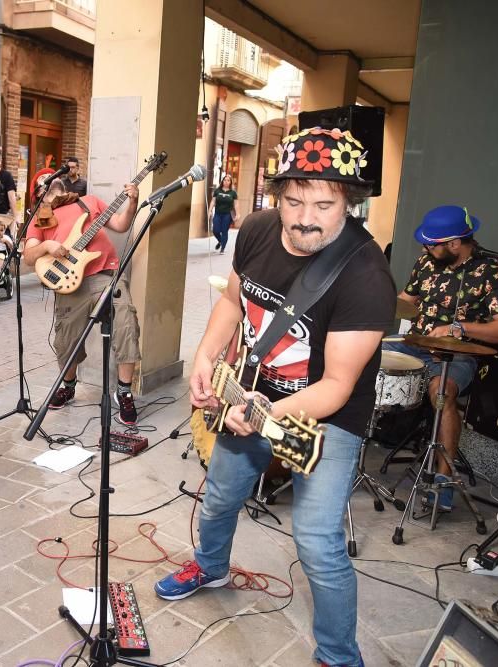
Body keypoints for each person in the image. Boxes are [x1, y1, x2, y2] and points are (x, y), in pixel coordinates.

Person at [154, 127, 396, 667]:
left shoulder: (365, 275)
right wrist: (204, 357)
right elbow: (235, 302)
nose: (305, 217)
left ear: (349, 203)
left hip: (324, 422)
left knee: (316, 541)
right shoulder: (259, 231)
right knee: (218, 498)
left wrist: (259, 412)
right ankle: (211, 566)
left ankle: (338, 655)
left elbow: (336, 387)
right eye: (293, 199)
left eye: (324, 203)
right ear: (276, 196)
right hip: (251, 397)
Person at [386, 204, 498, 510]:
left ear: (455, 243)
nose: (425, 248)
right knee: (364, 360)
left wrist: (459, 328)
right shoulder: (426, 262)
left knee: (442, 393)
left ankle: (443, 480)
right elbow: (406, 302)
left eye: (431, 244)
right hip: (414, 344)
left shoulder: (489, 272)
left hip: (457, 355)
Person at [22, 177, 143, 425]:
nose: (51, 182)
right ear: (39, 196)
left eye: (55, 179)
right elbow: (29, 256)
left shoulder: (88, 203)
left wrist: (132, 202)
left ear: (65, 188)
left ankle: (124, 391)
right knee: (66, 339)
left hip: (105, 275)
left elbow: (120, 224)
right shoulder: (40, 218)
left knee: (126, 323)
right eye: (44, 183)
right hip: (68, 282)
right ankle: (68, 386)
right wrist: (47, 245)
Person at [208, 173, 238, 253]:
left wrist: (238, 214)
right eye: (225, 180)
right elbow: (213, 201)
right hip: (218, 214)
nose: (226, 182)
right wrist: (210, 211)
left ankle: (222, 248)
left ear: (230, 182)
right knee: (215, 230)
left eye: (228, 180)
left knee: (224, 231)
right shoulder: (217, 191)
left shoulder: (233, 193)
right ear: (222, 181)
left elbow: (236, 204)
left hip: (227, 215)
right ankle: (221, 241)